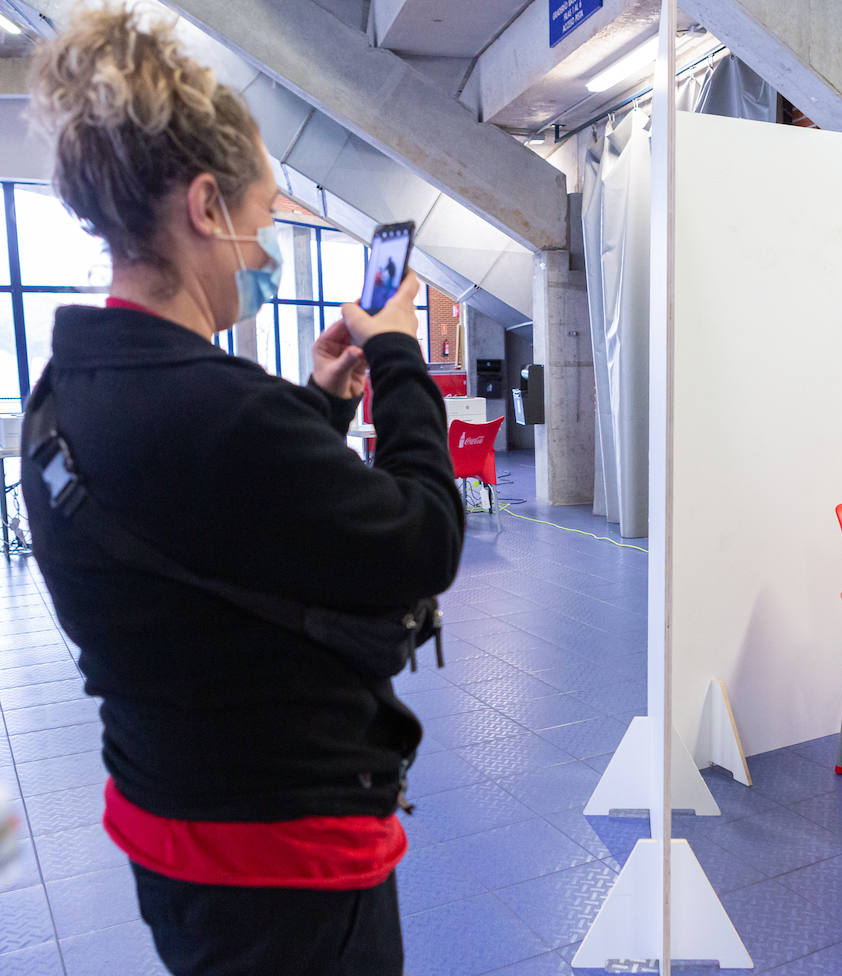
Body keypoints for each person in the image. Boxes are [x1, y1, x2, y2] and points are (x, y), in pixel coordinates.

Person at [21, 9, 463, 975]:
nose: (261, 256)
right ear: (206, 206)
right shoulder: (214, 410)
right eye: (262, 224)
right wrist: (397, 357)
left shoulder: (66, 397)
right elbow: (425, 537)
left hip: (171, 828)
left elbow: (219, 519)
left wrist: (317, 401)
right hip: (287, 866)